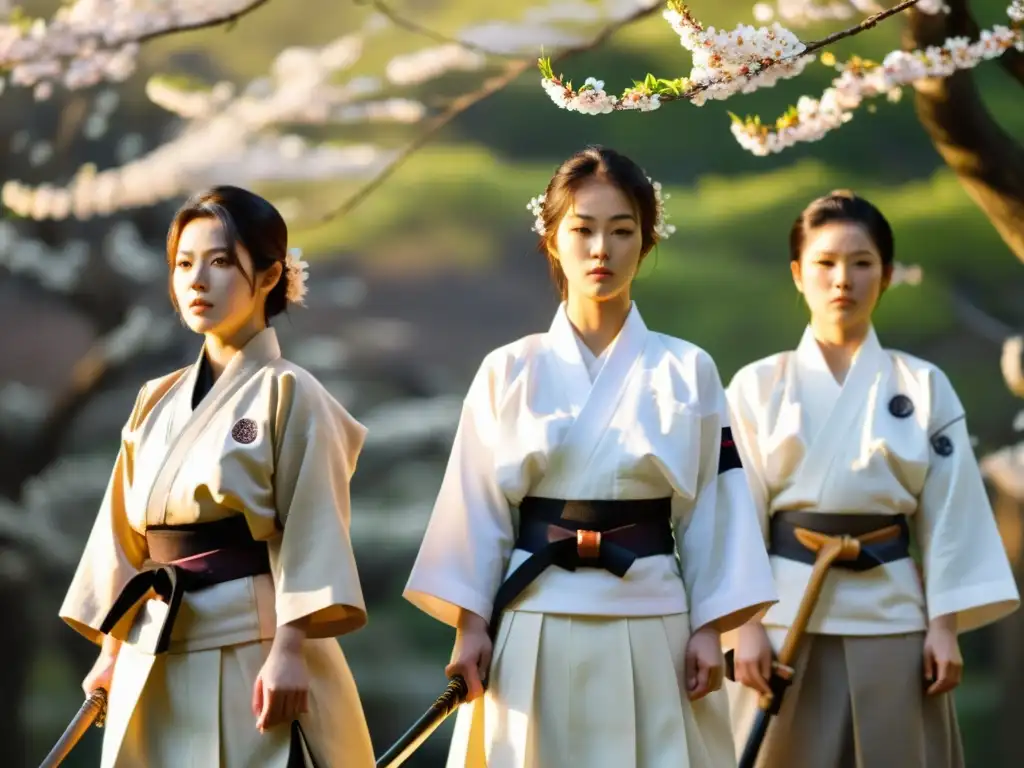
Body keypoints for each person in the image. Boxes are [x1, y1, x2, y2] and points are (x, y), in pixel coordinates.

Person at [402, 145, 778, 768]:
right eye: (582, 229)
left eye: (622, 231)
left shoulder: (689, 370)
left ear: (646, 242)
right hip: (532, 618)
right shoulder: (508, 369)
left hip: (655, 618)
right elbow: (475, 506)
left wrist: (713, 628)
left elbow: (715, 507)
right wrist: (470, 627)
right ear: (553, 240)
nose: (601, 249)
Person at [58, 186, 376, 767]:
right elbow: (122, 539)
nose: (197, 280)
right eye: (184, 263)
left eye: (221, 261)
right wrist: (111, 649)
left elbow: (313, 528)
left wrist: (291, 649)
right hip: (151, 644)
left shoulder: (291, 391)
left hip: (252, 647)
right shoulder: (155, 399)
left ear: (270, 274)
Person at [723, 189, 1021, 767]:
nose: (843, 280)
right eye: (826, 263)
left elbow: (951, 513)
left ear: (885, 275)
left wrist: (944, 627)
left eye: (861, 264)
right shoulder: (758, 386)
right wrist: (744, 629)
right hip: (783, 616)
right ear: (797, 273)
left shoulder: (923, 384)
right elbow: (733, 511)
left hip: (892, 616)